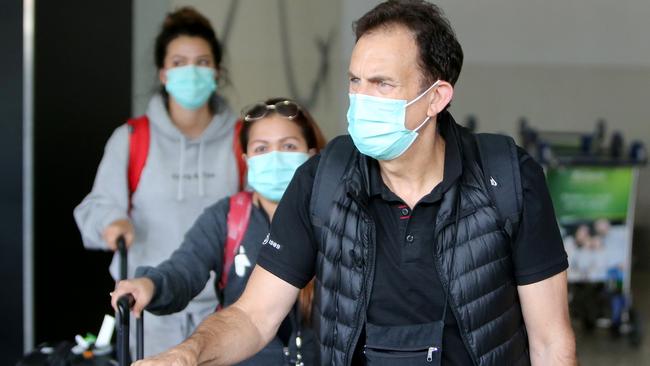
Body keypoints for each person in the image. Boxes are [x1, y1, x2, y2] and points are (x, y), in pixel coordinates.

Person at [133, 1, 577, 365]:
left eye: (382, 84)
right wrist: (188, 354)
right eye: (355, 82)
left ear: (436, 98)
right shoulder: (322, 181)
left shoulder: (508, 178)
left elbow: (551, 342)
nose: (362, 100)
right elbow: (254, 316)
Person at [74, 7, 243, 356]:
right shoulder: (133, 138)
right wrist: (111, 221)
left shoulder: (241, 139)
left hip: (228, 313)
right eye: (179, 62)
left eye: (202, 61)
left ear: (217, 72)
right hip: (148, 313)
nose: (191, 71)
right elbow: (93, 210)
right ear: (164, 74)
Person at [111, 98, 326, 365]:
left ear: (312, 155)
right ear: (246, 160)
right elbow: (185, 268)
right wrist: (151, 284)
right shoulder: (226, 218)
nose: (275, 157)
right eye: (262, 148)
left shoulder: (336, 219)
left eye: (289, 146)